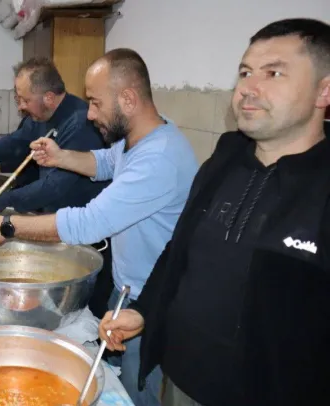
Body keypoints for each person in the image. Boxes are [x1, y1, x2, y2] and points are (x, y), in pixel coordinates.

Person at [99, 19, 330, 406]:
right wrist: (143, 311)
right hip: (178, 382)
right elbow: (179, 250)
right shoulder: (224, 158)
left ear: (324, 90)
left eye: (273, 73)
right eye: (245, 72)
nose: (248, 88)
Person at [0, 49, 200, 406]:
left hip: (149, 302)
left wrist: (7, 226)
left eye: (95, 102)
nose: (89, 114)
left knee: (135, 393)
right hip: (126, 289)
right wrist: (61, 156)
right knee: (116, 381)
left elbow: (89, 223)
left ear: (128, 99)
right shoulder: (140, 135)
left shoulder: (159, 158)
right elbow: (105, 162)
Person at [0, 57, 109, 214]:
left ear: (49, 98)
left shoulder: (80, 124)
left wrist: (3, 200)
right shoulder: (40, 116)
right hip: (52, 212)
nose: (21, 107)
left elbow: (55, 185)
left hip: (78, 217)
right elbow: (16, 141)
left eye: (25, 100)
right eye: (18, 99)